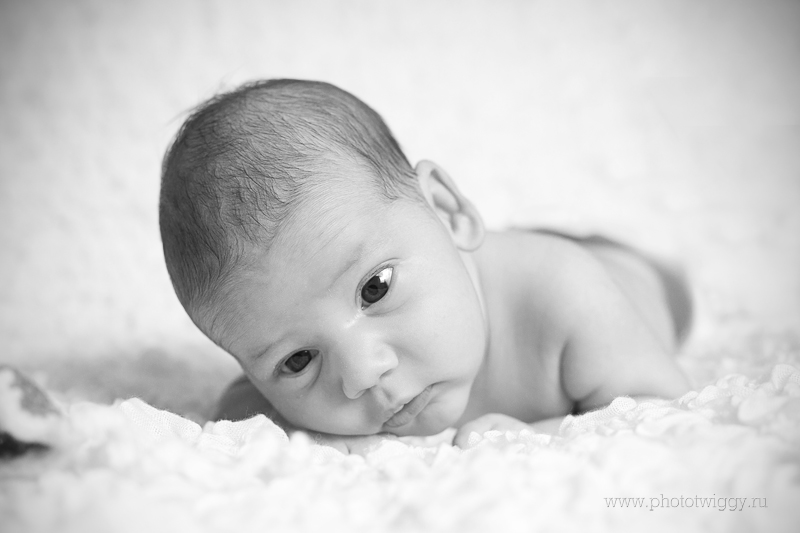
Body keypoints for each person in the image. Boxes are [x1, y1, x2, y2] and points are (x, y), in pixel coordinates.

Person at [159, 79, 692, 454]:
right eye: (298, 360)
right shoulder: (294, 308)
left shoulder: (566, 294)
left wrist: (543, 437)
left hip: (627, 276)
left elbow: (661, 408)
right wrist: (307, 439)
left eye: (375, 288)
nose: (362, 374)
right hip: (466, 253)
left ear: (448, 210)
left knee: (656, 286)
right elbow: (238, 414)